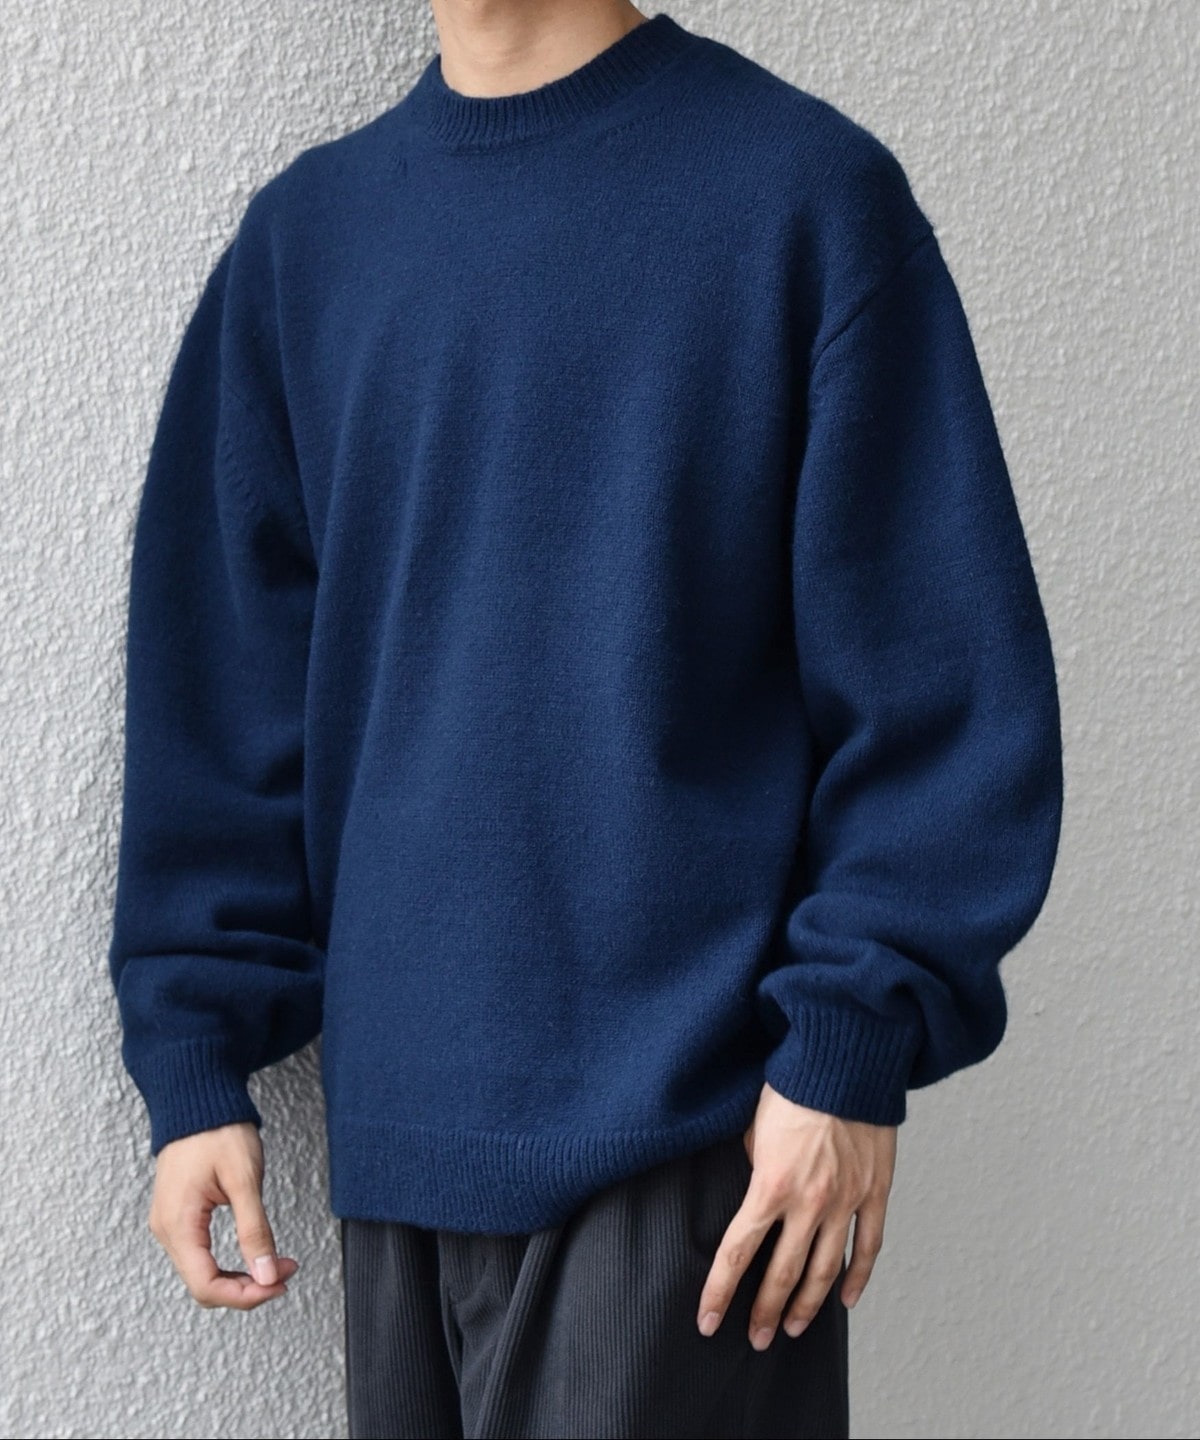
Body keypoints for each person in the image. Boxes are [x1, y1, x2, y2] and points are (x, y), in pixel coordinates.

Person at [106, 3, 1064, 1436]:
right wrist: (194, 1059)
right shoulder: (306, 247)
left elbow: (942, 687)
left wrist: (852, 1047)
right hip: (397, 1151)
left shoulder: (802, 200)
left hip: (699, 1151)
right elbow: (222, 692)